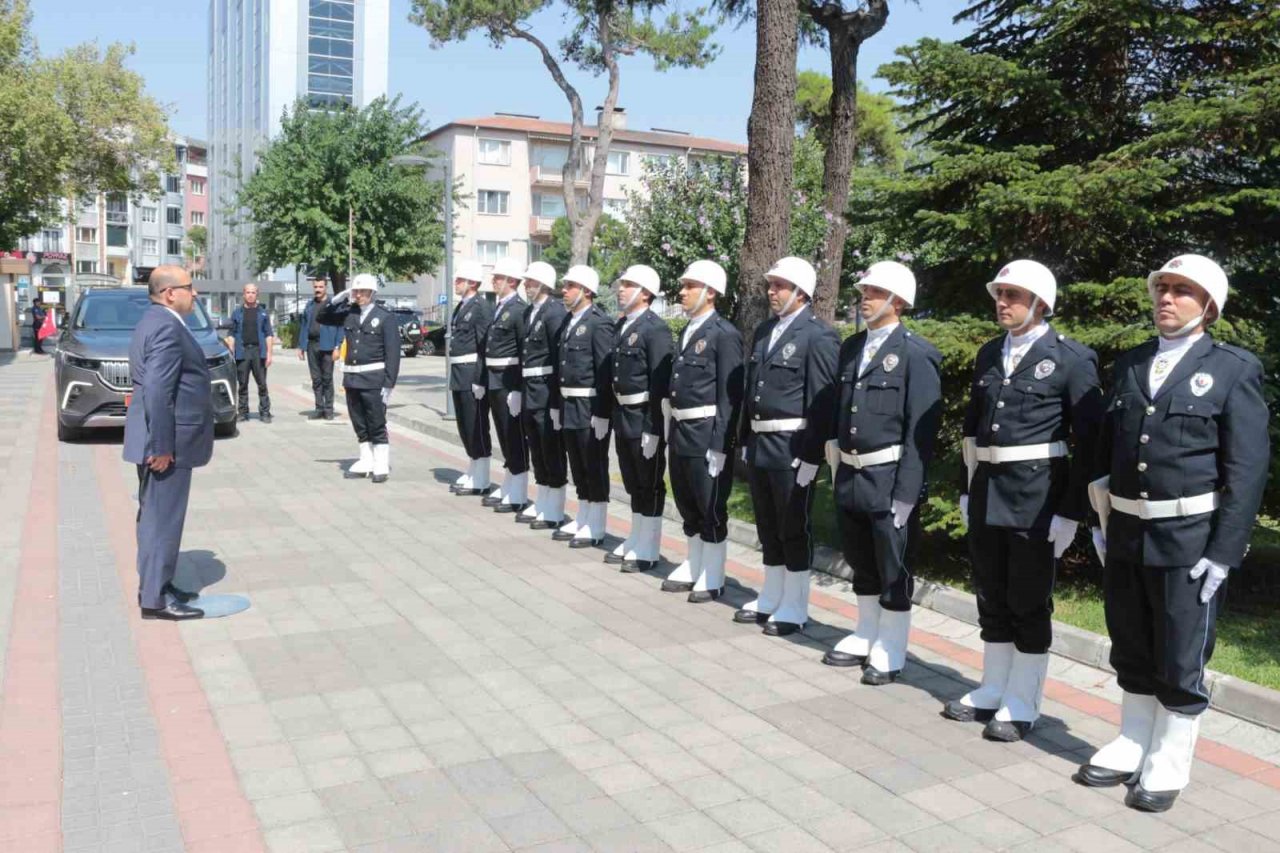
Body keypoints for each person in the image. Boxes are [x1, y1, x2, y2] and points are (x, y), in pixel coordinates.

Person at [1074, 255, 1268, 812]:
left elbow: (1246, 468)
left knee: (1181, 652)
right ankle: (1134, 739)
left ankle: (1170, 757)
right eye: (1162, 288)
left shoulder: (1232, 368)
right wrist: (1103, 521)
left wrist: (1225, 551)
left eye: (1182, 290)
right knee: (1131, 641)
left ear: (1208, 305)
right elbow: (1113, 450)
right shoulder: (1133, 364)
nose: (1166, 298)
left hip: (1190, 537)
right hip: (1130, 529)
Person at [943, 260, 1103, 741]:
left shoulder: (1072, 359)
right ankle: (993, 687)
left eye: (1013, 295)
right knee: (991, 594)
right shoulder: (990, 353)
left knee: (1028, 600)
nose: (1003, 302)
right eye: (1000, 294)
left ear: (1041, 303)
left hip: (1037, 498)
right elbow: (972, 430)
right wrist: (966, 488)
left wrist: (1072, 511)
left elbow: (1091, 442)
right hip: (989, 489)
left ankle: (1023, 701)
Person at [820, 262, 943, 684]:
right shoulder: (852, 347)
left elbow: (919, 432)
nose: (865, 297)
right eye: (865, 289)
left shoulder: (916, 353)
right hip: (853, 474)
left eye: (875, 291)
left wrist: (907, 492)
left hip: (889, 477)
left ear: (899, 301)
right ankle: (865, 632)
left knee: (893, 567)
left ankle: (891, 646)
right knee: (860, 561)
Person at [736, 257, 839, 635]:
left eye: (779, 285)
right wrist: (746, 439)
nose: (771, 291)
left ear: (800, 292)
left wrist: (812, 456)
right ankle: (771, 595)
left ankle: (795, 605)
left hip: (793, 446)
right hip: (763, 443)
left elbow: (822, 402)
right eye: (771, 284)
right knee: (767, 525)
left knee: (792, 527)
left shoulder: (819, 336)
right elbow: (753, 390)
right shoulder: (765, 331)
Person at [122, 265, 212, 620]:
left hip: (157, 438)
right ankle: (155, 600)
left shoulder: (153, 321)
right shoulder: (166, 328)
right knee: (163, 520)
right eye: (190, 287)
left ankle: (158, 582)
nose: (195, 294)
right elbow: (158, 390)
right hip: (165, 443)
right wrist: (162, 446)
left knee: (154, 517)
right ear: (170, 293)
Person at [661, 261, 744, 600]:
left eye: (690, 285)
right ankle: (694, 562)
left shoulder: (724, 334)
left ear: (710, 293)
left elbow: (730, 396)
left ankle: (713, 572)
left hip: (706, 430)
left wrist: (721, 444)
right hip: (681, 427)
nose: (682, 291)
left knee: (710, 504)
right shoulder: (689, 330)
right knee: (687, 502)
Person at [606, 264, 673, 572]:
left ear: (645, 293)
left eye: (628, 284)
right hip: (623, 414)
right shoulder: (623, 325)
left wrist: (654, 428)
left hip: (643, 415)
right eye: (622, 284)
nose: (621, 289)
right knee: (633, 482)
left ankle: (649, 547)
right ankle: (636, 537)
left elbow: (660, 385)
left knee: (649, 483)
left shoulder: (655, 329)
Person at [551, 265, 615, 548]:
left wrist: (602, 412)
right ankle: (584, 516)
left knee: (594, 463)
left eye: (570, 286)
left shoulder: (599, 323)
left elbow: (604, 371)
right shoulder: (569, 321)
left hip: (589, 405)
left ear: (587, 291)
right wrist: (556, 403)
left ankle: (597, 524)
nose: (564, 291)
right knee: (577, 463)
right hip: (569, 402)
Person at [316, 273, 401, 482]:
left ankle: (381, 463)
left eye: (363, 292)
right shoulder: (349, 313)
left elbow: (393, 353)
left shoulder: (385, 317)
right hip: (352, 378)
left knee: (376, 420)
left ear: (372, 293)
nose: (359, 295)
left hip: (374, 379)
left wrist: (389, 383)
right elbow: (322, 317)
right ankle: (366, 459)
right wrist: (337, 299)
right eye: (356, 291)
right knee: (359, 421)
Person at [517, 261, 571, 529]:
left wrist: (556, 401)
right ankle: (543, 500)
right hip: (531, 388)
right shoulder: (530, 312)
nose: (526, 285)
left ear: (544, 285)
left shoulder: (554, 313)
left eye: (530, 282)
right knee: (536, 447)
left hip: (546, 389)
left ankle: (555, 508)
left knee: (551, 447)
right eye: (526, 282)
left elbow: (559, 358)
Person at [480, 258, 531, 513]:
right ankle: (510, 482)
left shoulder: (519, 310)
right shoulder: (499, 306)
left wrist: (519, 389)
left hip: (509, 379)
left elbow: (524, 351)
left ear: (512, 281)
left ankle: (519, 491)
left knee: (514, 435)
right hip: (495, 378)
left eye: (498, 277)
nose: (494, 281)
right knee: (503, 433)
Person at [447, 261, 494, 496]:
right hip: (459, 373)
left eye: (460, 280)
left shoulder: (481, 307)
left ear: (473, 283)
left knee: (476, 425)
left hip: (471, 373)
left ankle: (482, 477)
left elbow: (484, 345)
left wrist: (479, 378)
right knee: (465, 426)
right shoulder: (462, 306)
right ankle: (473, 469)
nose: (456, 283)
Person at [225, 282, 275, 423]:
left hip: (259, 352)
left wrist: (269, 354)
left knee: (262, 384)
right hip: (243, 352)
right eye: (248, 292)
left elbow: (268, 334)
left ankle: (265, 412)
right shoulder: (237, 313)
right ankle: (242, 412)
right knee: (242, 384)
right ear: (244, 294)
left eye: (253, 292)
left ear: (257, 294)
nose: (250, 295)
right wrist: (230, 348)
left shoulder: (263, 313)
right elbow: (232, 333)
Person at [297, 278, 343, 420]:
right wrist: (301, 346)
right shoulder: (309, 305)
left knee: (327, 378)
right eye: (315, 287)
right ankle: (319, 407)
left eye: (320, 287)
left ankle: (329, 409)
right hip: (312, 345)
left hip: (328, 345)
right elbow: (304, 326)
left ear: (326, 287)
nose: (318, 289)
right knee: (316, 379)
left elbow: (340, 327)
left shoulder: (333, 305)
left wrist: (337, 346)